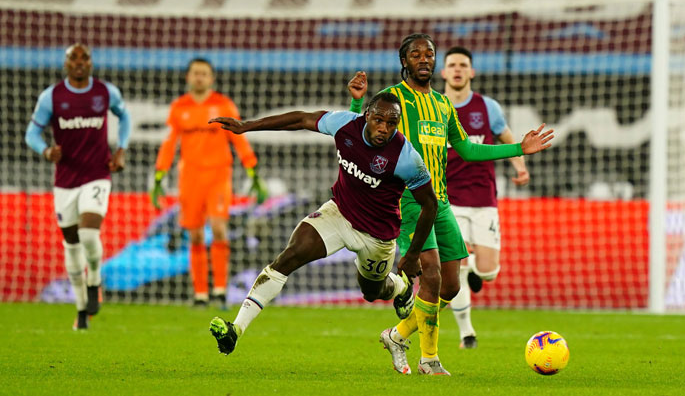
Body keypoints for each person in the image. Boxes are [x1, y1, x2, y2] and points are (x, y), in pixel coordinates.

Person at [347, 33, 553, 375]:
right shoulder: (391, 99)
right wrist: (356, 104)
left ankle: (397, 335)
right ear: (404, 62)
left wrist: (519, 148)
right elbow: (356, 132)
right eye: (416, 54)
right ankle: (429, 360)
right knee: (431, 275)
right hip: (406, 201)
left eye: (429, 54)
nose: (424, 59)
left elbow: (469, 150)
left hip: (440, 202)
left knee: (453, 285)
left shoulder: (443, 105)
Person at [207, 93, 438, 370]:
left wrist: (412, 255)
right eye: (378, 120)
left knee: (372, 291)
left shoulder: (405, 156)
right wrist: (248, 125)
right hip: (338, 214)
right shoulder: (343, 124)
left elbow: (430, 204)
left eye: (392, 123)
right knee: (288, 258)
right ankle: (236, 330)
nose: (384, 129)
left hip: (377, 236)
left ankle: (399, 288)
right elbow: (301, 118)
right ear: (367, 115)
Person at [24, 43, 132, 330]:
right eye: (74, 57)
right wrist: (46, 151)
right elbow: (31, 133)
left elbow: (125, 117)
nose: (80, 62)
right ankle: (82, 308)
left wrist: (121, 150)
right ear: (66, 63)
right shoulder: (52, 96)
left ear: (91, 63)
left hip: (97, 174)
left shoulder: (106, 92)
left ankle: (95, 279)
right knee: (71, 242)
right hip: (65, 180)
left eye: (85, 57)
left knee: (87, 232)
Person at [150, 58, 267, 309]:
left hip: (218, 175)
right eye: (195, 73)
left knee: (218, 229)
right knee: (193, 235)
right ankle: (200, 293)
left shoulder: (222, 105)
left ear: (211, 78)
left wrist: (252, 171)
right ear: (188, 78)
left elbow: (239, 139)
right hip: (189, 177)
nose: (200, 77)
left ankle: (220, 290)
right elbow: (170, 143)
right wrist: (160, 174)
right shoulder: (179, 107)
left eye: (204, 74)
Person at [441, 46, 530, 349]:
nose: (457, 69)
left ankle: (480, 271)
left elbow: (506, 137)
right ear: (443, 72)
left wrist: (519, 165)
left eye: (462, 65)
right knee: (457, 267)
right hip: (447, 201)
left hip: (483, 201)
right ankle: (467, 333)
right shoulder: (434, 108)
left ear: (471, 71)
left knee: (488, 272)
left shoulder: (487, 107)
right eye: (452, 64)